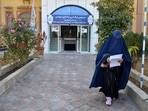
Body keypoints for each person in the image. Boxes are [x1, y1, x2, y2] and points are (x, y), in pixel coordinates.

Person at [89, 30, 132, 106]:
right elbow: (100, 55)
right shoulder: (107, 44)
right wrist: (106, 58)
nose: (117, 40)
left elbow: (127, 58)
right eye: (115, 37)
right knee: (109, 82)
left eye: (119, 37)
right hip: (108, 68)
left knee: (115, 82)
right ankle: (108, 97)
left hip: (118, 69)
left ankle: (113, 94)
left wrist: (122, 60)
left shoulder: (122, 44)